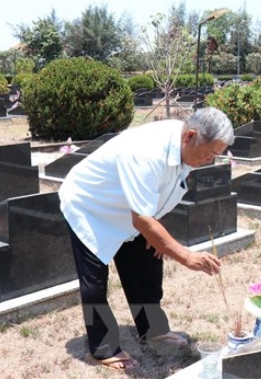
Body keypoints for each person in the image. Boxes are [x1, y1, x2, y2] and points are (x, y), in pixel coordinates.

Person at [59, 107, 234, 370]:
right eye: (209, 153)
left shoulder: (185, 146)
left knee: (147, 266)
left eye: (216, 155)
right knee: (94, 281)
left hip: (131, 209)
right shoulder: (146, 152)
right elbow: (141, 219)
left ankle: (153, 330)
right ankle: (103, 347)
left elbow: (158, 192)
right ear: (190, 136)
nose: (210, 159)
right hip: (91, 205)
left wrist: (154, 228)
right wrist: (186, 256)